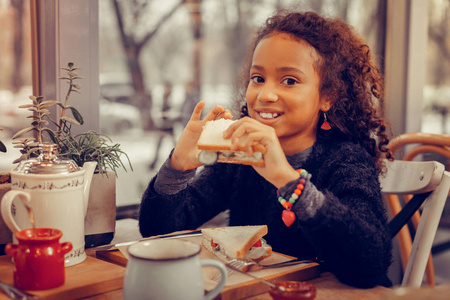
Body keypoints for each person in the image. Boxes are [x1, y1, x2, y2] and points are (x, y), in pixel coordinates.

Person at [139, 11, 393, 288]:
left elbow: (370, 264)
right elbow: (159, 232)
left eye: (289, 81)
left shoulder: (346, 160)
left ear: (327, 95)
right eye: (258, 78)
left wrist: (287, 180)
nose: (265, 95)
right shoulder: (238, 158)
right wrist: (177, 168)